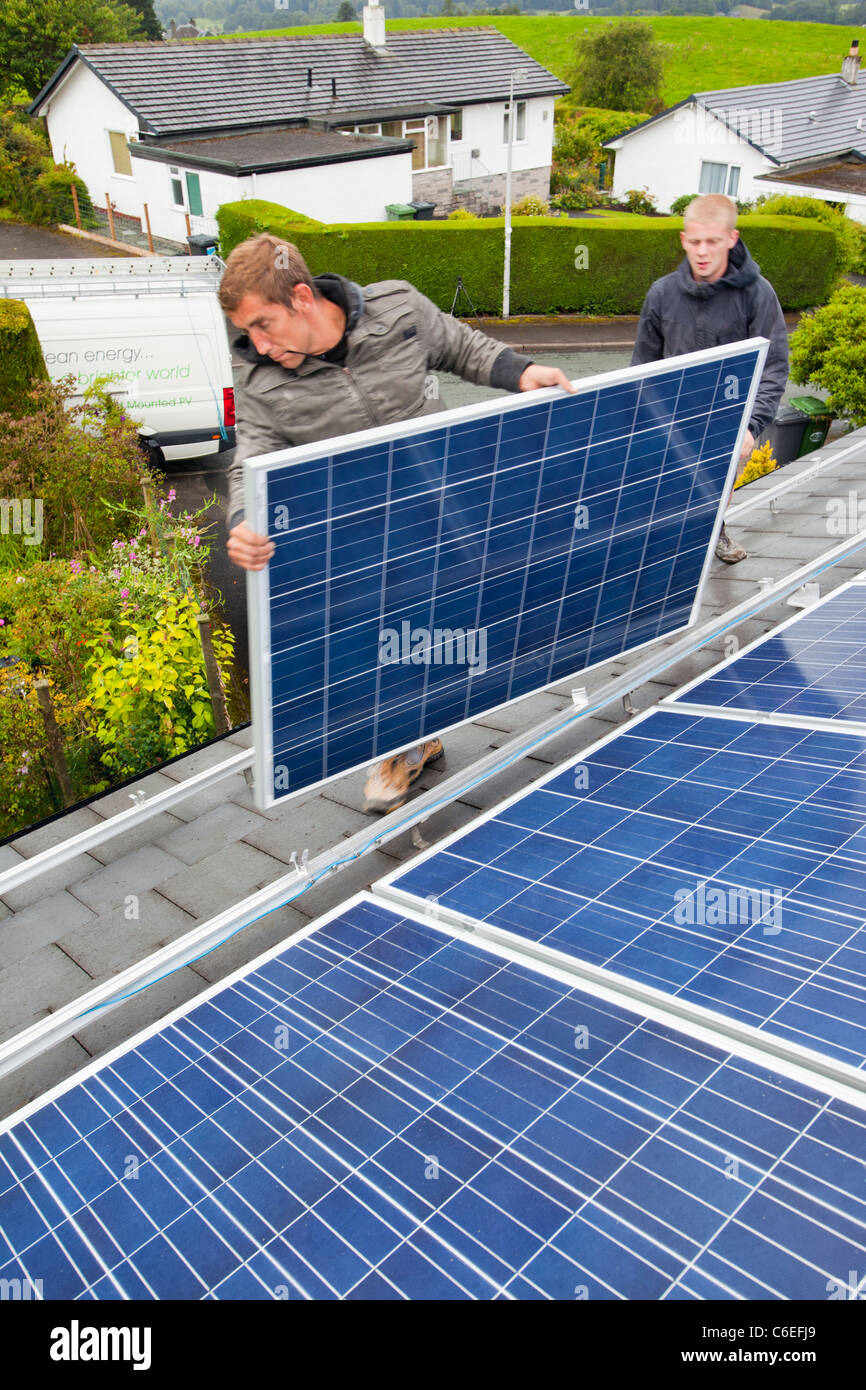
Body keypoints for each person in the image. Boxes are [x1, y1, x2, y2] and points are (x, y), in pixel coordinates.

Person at [219, 233, 574, 813]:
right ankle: (407, 744)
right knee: (384, 640)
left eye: (264, 325)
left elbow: (464, 347)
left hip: (438, 506)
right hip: (358, 531)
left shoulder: (398, 310)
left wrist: (523, 370)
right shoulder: (259, 373)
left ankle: (425, 729)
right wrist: (243, 519)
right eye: (246, 331)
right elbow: (251, 455)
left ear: (303, 298)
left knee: (455, 627)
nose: (257, 344)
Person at [631, 192, 789, 564]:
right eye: (695, 241)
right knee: (665, 506)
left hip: (729, 423)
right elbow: (642, 368)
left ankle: (713, 531)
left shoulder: (757, 296)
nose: (703, 251)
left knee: (712, 496)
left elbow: (774, 366)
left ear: (731, 239)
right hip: (674, 420)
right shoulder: (661, 294)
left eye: (713, 242)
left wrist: (750, 427)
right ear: (684, 240)